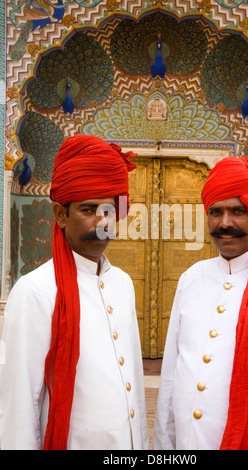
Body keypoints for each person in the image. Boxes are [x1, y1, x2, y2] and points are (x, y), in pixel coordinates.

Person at [0, 135, 149, 450]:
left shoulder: (122, 283)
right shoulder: (35, 291)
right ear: (60, 215)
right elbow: (19, 407)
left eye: (109, 210)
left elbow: (133, 384)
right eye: (88, 209)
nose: (101, 221)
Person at [153, 156, 248, 450]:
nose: (225, 223)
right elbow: (171, 375)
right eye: (216, 212)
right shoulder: (192, 278)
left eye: (238, 211)